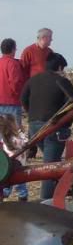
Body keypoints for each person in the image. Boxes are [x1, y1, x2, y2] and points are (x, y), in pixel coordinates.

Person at [21, 52, 73, 201]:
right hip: (54, 128)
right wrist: (66, 125)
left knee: (52, 161)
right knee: (50, 167)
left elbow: (23, 98)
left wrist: (32, 116)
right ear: (59, 67)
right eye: (63, 68)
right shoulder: (62, 82)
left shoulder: (32, 81)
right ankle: (46, 203)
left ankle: (60, 190)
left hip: (34, 128)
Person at [0, 38, 28, 201]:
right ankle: (20, 189)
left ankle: (5, 186)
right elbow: (16, 83)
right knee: (15, 144)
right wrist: (21, 97)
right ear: (13, 49)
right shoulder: (12, 64)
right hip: (11, 103)